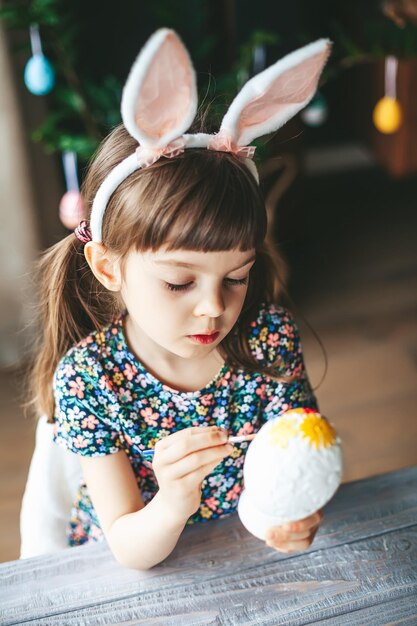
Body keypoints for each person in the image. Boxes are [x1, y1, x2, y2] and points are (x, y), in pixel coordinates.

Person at [25, 29, 331, 569]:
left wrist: (298, 515)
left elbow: (300, 455)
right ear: (107, 267)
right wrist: (172, 500)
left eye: (236, 277)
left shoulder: (270, 339)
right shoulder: (89, 380)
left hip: (247, 564)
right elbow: (127, 547)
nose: (213, 308)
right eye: (178, 282)